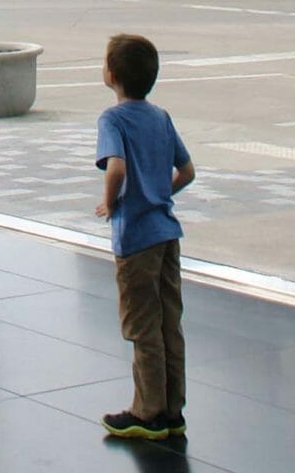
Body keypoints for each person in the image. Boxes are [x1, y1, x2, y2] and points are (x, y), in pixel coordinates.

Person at [95, 31, 195, 442]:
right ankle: (173, 410)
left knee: (142, 324)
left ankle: (147, 411)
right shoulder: (161, 117)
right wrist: (158, 193)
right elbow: (187, 171)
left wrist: (111, 202)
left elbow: (115, 167)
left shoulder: (113, 119)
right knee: (171, 322)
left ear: (112, 74)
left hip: (135, 237)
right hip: (167, 233)